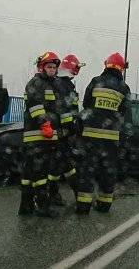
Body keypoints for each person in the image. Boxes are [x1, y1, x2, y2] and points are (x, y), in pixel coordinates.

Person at [75, 52, 130, 214]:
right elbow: (124, 112)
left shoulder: (96, 81)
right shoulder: (124, 88)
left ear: (106, 65)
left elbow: (86, 104)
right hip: (111, 139)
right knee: (108, 171)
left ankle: (83, 207)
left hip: (90, 136)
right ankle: (104, 205)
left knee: (87, 170)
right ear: (121, 68)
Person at [19, 52, 62, 217]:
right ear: (42, 67)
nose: (52, 70)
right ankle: (43, 206)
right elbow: (35, 105)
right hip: (39, 134)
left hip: (40, 135)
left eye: (54, 67)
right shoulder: (37, 83)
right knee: (41, 172)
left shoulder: (51, 85)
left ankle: (26, 205)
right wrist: (45, 124)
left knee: (29, 173)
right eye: (49, 67)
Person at [51, 54, 85, 206]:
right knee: (64, 165)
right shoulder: (66, 86)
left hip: (55, 132)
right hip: (62, 133)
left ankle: (55, 195)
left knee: (61, 165)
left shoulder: (55, 83)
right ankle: (79, 197)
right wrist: (73, 128)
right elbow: (67, 112)